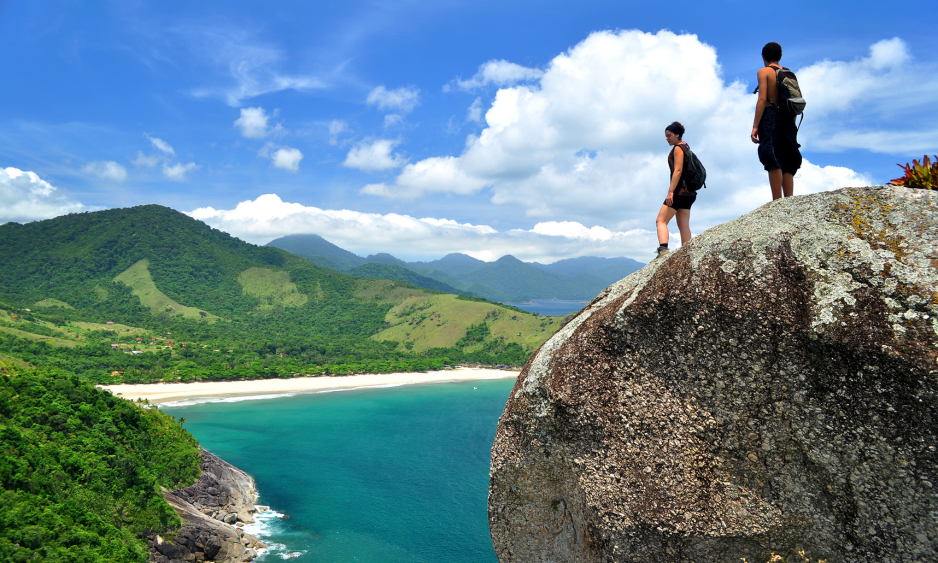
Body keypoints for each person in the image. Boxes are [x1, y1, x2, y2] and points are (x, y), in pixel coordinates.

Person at [751, 42, 802, 200]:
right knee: (788, 159)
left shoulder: (764, 71)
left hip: (770, 117)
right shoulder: (788, 74)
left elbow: (762, 99)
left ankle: (777, 202)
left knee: (772, 157)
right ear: (780, 56)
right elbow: (792, 99)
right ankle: (789, 200)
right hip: (788, 117)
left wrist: (754, 127)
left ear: (763, 57)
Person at [655, 122, 694, 257]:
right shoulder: (686, 147)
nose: (667, 138)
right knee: (683, 225)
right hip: (689, 192)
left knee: (661, 220)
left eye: (669, 135)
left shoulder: (678, 148)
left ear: (677, 135)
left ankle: (663, 250)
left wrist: (671, 192)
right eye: (666, 136)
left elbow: (677, 171)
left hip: (679, 192)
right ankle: (687, 252)